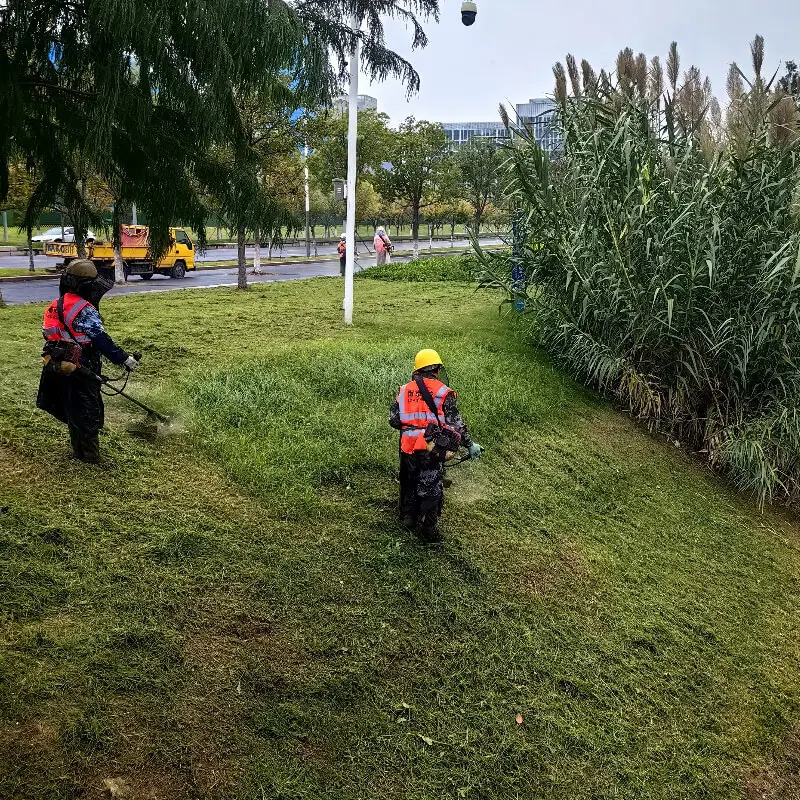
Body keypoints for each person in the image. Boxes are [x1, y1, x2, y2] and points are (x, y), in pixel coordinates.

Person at [36, 259, 139, 463]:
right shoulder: (83, 308)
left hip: (57, 364)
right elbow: (100, 339)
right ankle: (91, 457)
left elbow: (48, 335)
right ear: (86, 286)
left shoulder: (54, 306)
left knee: (72, 408)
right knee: (88, 410)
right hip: (80, 365)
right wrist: (124, 359)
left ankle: (78, 452)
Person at [389, 349, 482, 542]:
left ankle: (408, 517)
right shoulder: (443, 392)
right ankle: (428, 529)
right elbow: (456, 424)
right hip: (431, 448)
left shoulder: (404, 390)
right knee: (431, 487)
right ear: (437, 370)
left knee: (409, 481)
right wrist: (470, 444)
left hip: (407, 446)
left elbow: (394, 421)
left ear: (417, 370)